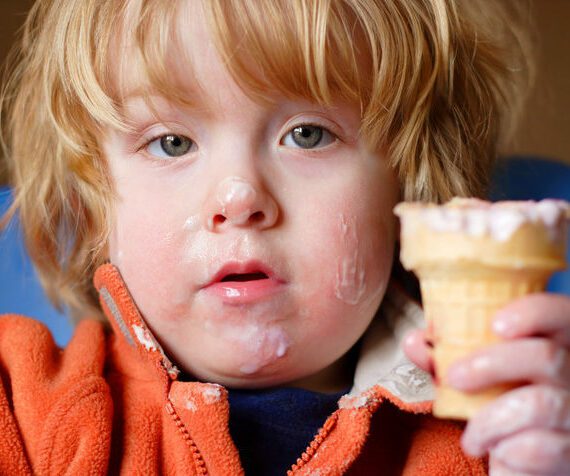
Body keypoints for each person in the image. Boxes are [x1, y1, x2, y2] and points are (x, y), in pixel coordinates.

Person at [0, 0, 568, 474]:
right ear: (95, 205)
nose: (239, 197)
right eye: (172, 143)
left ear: (410, 192)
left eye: (308, 134)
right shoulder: (24, 410)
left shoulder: (491, 432)